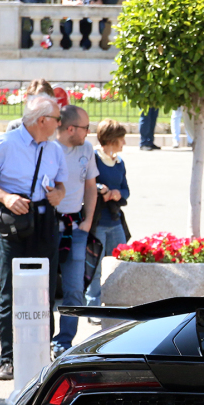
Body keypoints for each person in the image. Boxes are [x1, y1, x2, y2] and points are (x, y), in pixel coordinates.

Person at [0, 94, 68, 381]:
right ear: (42, 121)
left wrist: (58, 194)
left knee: (46, 288)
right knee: (11, 289)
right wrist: (6, 197)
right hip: (15, 221)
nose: (59, 124)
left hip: (45, 219)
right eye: (57, 119)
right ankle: (8, 358)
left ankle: (41, 353)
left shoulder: (54, 149)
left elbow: (61, 184)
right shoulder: (6, 144)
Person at [51, 105, 98, 358]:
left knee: (74, 289)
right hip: (48, 228)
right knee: (44, 288)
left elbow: (90, 186)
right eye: (85, 128)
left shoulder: (87, 149)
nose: (89, 133)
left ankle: (64, 341)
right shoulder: (48, 148)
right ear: (71, 129)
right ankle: (41, 337)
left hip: (76, 228)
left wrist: (88, 220)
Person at [87, 119, 130, 308]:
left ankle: (116, 303)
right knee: (95, 268)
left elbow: (126, 190)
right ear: (112, 139)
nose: (125, 143)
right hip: (98, 222)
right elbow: (86, 182)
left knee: (120, 264)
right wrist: (101, 189)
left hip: (115, 222)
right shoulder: (94, 158)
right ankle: (93, 306)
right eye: (122, 139)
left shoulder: (119, 163)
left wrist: (117, 193)